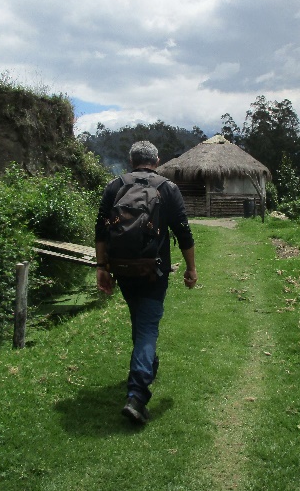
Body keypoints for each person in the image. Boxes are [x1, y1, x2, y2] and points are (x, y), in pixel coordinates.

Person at [95, 141, 198, 424]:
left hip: (122, 270)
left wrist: (101, 267)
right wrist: (191, 269)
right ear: (157, 161)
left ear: (130, 161)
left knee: (139, 320)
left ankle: (147, 365)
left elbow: (100, 231)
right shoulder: (168, 188)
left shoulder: (114, 187)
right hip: (154, 271)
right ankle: (137, 395)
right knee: (148, 328)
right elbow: (184, 233)